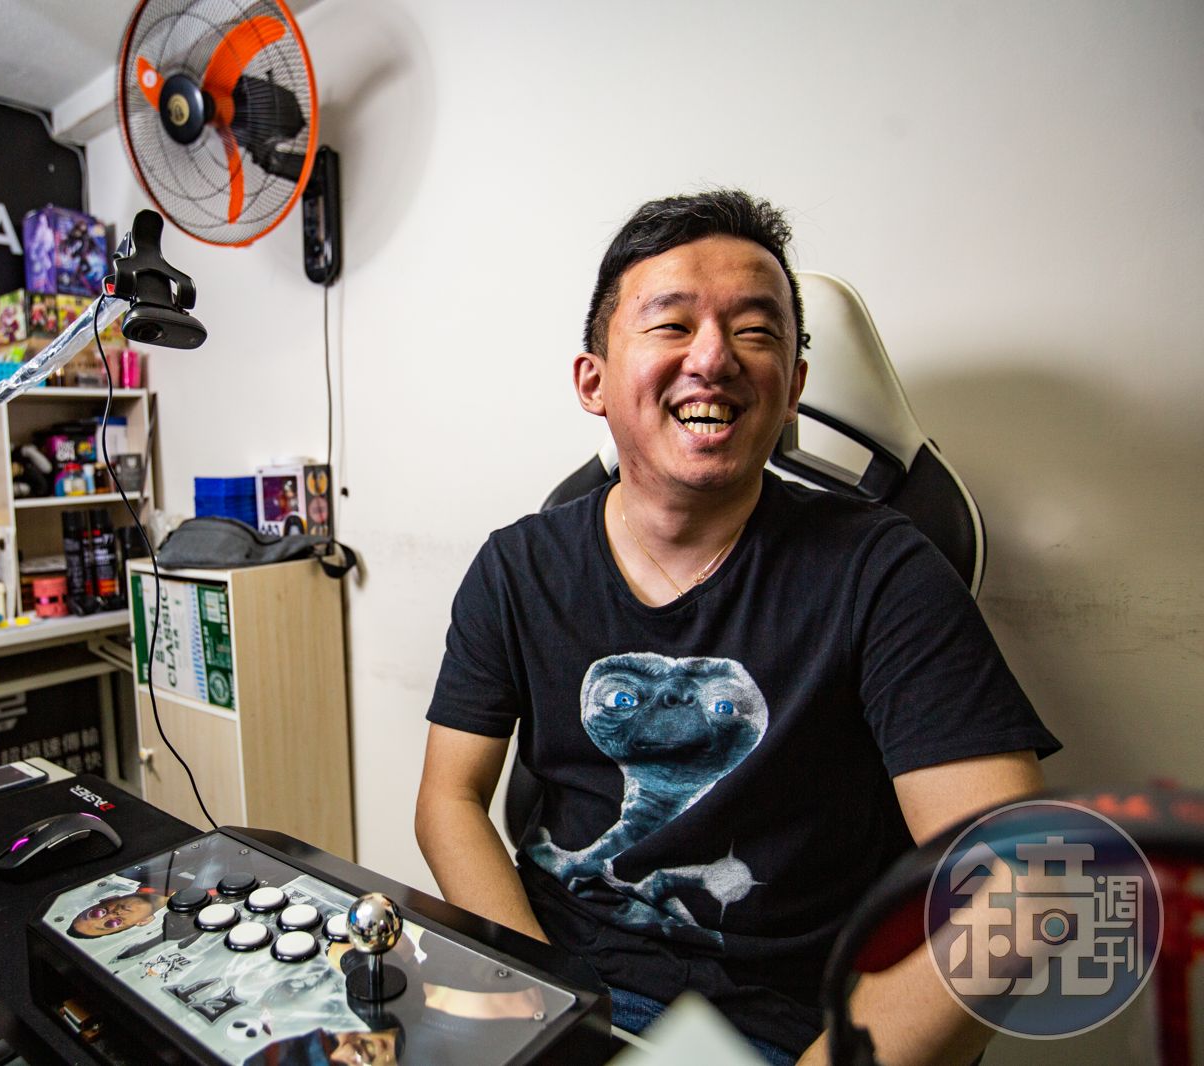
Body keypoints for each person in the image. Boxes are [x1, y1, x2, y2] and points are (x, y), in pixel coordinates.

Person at [413, 189, 1060, 1065]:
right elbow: (449, 800)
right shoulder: (516, 568)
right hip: (555, 977)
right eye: (672, 325)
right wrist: (535, 998)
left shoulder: (882, 572)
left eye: (756, 332)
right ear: (593, 381)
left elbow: (1017, 886)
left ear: (793, 387)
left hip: (779, 1027)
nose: (714, 357)